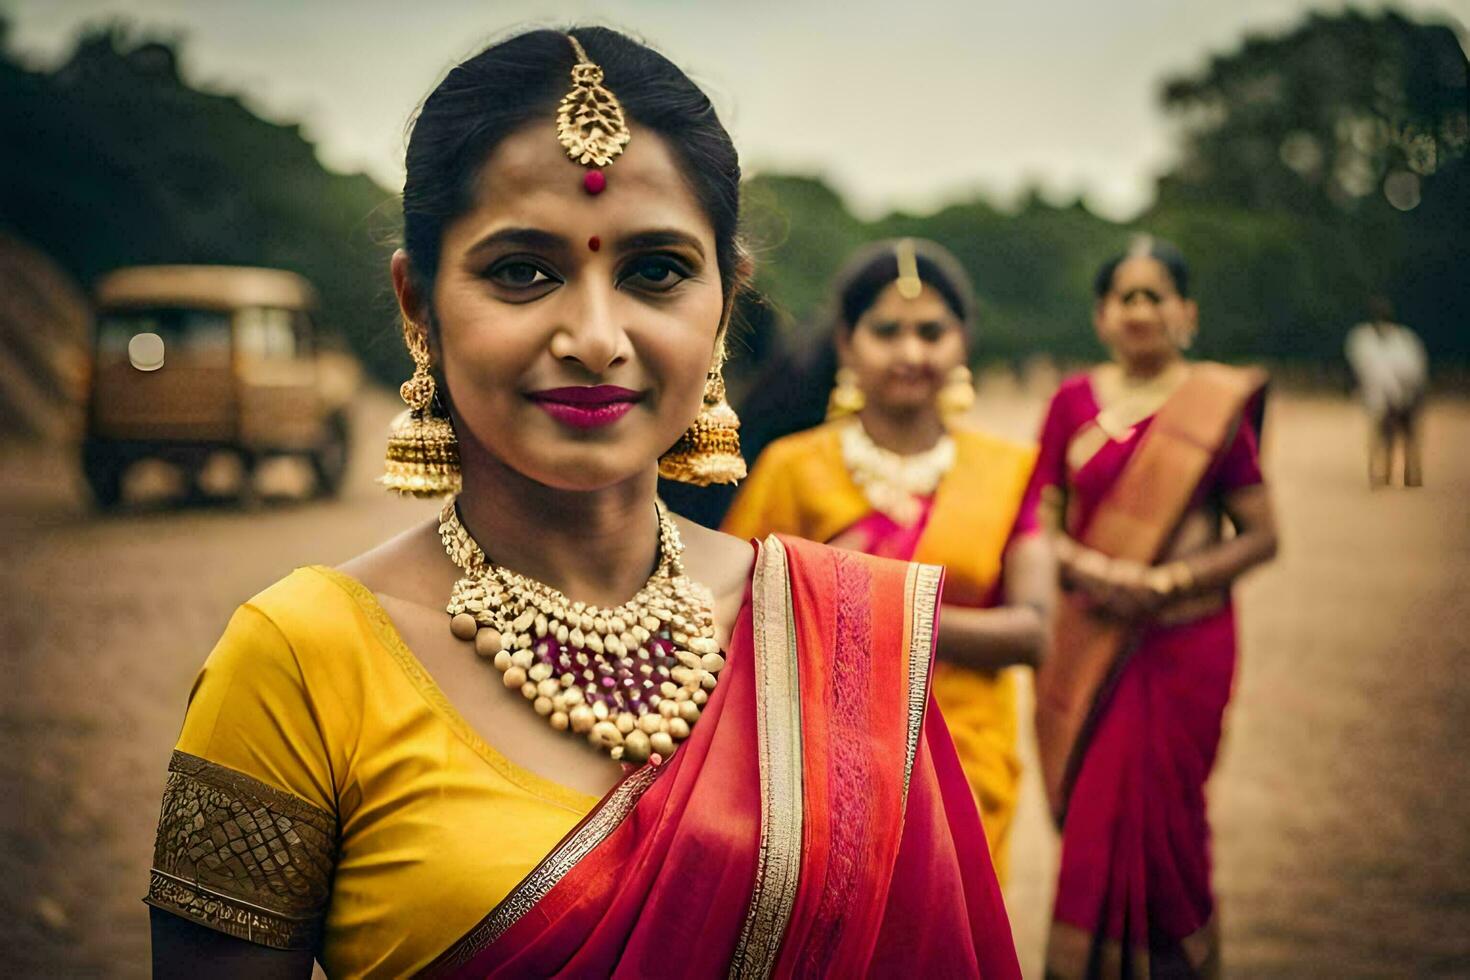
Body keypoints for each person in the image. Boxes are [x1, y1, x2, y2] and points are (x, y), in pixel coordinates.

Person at [144, 28, 1019, 978]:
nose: (597, 337)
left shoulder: (847, 637)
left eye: (655, 271)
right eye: (522, 270)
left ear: (725, 303)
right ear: (417, 304)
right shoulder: (298, 660)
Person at [721, 238, 1052, 882]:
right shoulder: (794, 467)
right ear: (846, 343)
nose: (910, 352)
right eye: (886, 331)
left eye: (932, 332)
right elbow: (735, 613)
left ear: (963, 341)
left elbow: (1033, 632)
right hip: (820, 770)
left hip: (968, 769)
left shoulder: (1008, 470)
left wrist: (863, 603)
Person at [1027, 237, 1278, 978]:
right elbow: (1041, 519)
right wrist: (1086, 567)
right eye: (1124, 297)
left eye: (1156, 294)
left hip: (1183, 642)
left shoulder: (1214, 407)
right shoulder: (1071, 402)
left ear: (1186, 311)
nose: (1141, 310)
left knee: (1172, 817)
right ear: (1101, 317)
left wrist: (1166, 585)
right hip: (1090, 634)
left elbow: (1261, 536)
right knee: (1096, 820)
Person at [1345, 298, 1428, 488]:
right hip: (1382, 397)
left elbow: (1413, 372)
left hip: (1404, 395)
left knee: (1405, 437)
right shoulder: (1364, 340)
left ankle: (1406, 472)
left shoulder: (1402, 341)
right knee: (1384, 436)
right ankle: (1384, 474)